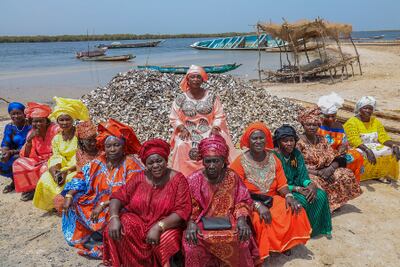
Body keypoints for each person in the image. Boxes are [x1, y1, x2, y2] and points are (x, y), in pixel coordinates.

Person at [61, 119, 143, 258]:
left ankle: (109, 240)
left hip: (123, 205)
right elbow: (81, 177)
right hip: (98, 201)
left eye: (116, 145)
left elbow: (130, 192)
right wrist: (69, 196)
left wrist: (104, 204)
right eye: (108, 146)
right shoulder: (99, 161)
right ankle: (94, 234)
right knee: (75, 199)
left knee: (117, 217)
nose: (112, 149)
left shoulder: (131, 164)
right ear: (103, 147)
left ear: (123, 146)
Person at [103, 139, 192, 267]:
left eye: (159, 161)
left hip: (167, 224)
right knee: (117, 227)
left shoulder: (178, 180)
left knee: (167, 239)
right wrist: (114, 218)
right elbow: (118, 196)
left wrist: (158, 226)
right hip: (139, 223)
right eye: (150, 163)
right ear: (145, 164)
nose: (155, 165)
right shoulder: (139, 177)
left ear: (166, 160)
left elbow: (182, 210)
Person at [230, 122, 311, 260]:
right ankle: (265, 250)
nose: (258, 141)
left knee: (294, 209)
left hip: (272, 197)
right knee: (261, 219)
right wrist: (257, 205)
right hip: (249, 200)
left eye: (261, 138)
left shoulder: (273, 158)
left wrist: (289, 196)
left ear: (266, 139)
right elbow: (236, 191)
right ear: (248, 141)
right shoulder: (239, 162)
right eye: (254, 138)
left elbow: (282, 183)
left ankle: (285, 244)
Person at [183, 134, 259, 267]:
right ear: (203, 161)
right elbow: (188, 206)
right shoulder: (193, 179)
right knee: (191, 245)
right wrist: (190, 223)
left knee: (242, 239)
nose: (211, 165)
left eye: (216, 161)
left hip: (230, 221)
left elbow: (243, 201)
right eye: (208, 161)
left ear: (224, 161)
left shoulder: (232, 177)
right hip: (202, 222)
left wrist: (241, 220)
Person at [169, 65, 238, 177]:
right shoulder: (180, 98)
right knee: (181, 144)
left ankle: (217, 175)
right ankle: (183, 177)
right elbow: (174, 117)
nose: (195, 79)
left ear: (202, 79)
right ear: (188, 79)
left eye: (198, 77)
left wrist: (215, 128)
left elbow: (219, 115)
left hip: (209, 128)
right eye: (192, 77)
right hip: (188, 129)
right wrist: (182, 129)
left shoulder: (211, 96)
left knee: (215, 143)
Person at [273, 125, 332, 238]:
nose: (289, 143)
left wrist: (310, 184)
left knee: (321, 195)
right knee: (302, 202)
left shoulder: (296, 154)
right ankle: (300, 232)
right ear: (278, 142)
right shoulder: (274, 156)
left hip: (298, 186)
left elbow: (302, 175)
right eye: (285, 141)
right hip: (284, 190)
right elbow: (276, 184)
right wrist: (296, 189)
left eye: (292, 140)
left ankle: (320, 228)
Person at [297, 107, 362, 211]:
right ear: (303, 126)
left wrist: (330, 169)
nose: (312, 127)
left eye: (314, 125)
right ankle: (324, 208)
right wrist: (319, 173)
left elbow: (333, 155)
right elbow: (297, 166)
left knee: (345, 174)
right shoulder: (298, 143)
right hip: (309, 172)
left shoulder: (321, 139)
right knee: (314, 184)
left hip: (326, 169)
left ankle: (336, 203)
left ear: (318, 125)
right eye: (308, 125)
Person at [33, 97, 89, 211]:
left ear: (72, 120)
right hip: (63, 166)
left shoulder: (80, 134)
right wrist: (56, 173)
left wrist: (66, 171)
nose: (64, 123)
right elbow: (56, 156)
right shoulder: (57, 138)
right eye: (61, 120)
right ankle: (56, 205)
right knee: (45, 179)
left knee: (71, 179)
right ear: (57, 121)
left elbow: (84, 156)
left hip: (78, 166)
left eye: (67, 119)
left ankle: (72, 204)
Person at [344, 96, 399, 182]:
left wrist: (393, 145)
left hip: (371, 147)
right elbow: (353, 140)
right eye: (365, 108)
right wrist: (367, 150)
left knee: (390, 150)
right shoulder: (352, 122)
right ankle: (359, 175)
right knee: (358, 153)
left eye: (370, 108)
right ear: (359, 108)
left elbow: (383, 136)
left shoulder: (375, 121)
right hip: (357, 147)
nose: (368, 111)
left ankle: (378, 173)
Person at [13, 102, 59, 201]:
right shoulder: (31, 133)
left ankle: (47, 192)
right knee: (18, 163)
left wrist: (49, 159)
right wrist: (29, 140)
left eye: (40, 121)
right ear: (30, 122)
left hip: (55, 159)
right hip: (39, 159)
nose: (37, 124)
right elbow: (26, 155)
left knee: (44, 168)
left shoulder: (55, 130)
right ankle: (31, 189)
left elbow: (61, 149)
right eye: (34, 121)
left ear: (46, 121)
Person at [53, 121, 100, 213]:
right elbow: (81, 172)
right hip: (83, 182)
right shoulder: (80, 153)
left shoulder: (102, 151)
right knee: (62, 200)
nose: (93, 143)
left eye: (95, 139)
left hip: (99, 183)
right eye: (89, 141)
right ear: (81, 141)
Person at [317, 93, 364, 182]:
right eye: (328, 116)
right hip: (323, 153)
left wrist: (343, 147)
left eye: (333, 116)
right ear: (323, 116)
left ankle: (353, 181)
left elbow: (344, 142)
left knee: (357, 155)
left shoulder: (339, 126)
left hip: (338, 152)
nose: (331, 119)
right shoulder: (318, 126)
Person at [1, 102, 31, 193]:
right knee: (2, 160)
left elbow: (31, 145)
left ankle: (28, 185)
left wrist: (11, 152)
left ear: (24, 113)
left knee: (16, 160)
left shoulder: (30, 126)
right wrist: (5, 152)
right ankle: (14, 181)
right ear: (10, 114)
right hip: (14, 152)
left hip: (29, 152)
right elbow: (5, 142)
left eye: (18, 113)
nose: (16, 116)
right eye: (13, 114)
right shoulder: (9, 127)